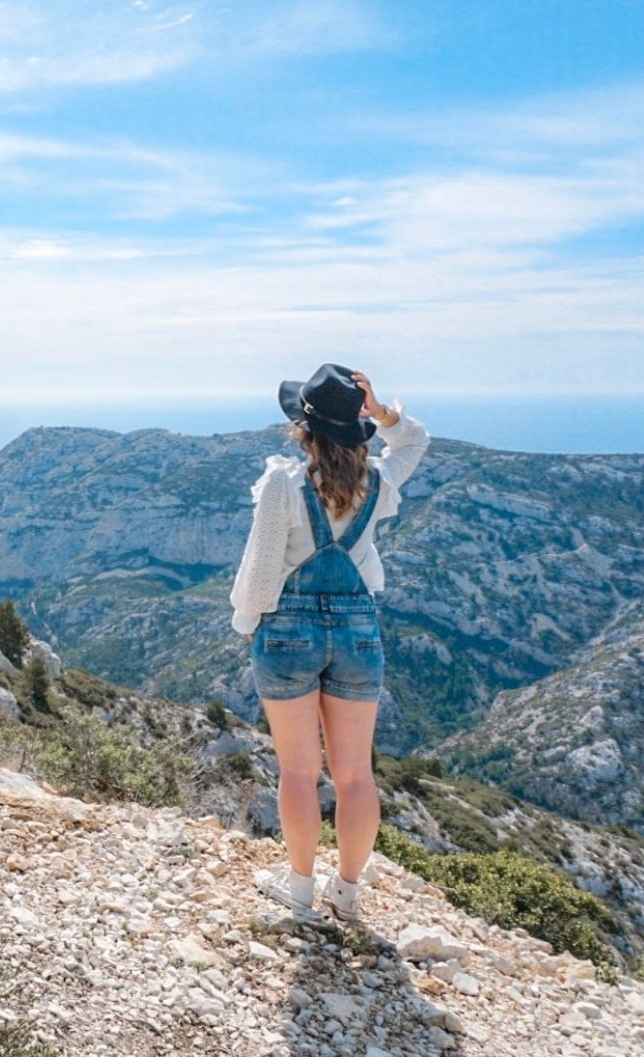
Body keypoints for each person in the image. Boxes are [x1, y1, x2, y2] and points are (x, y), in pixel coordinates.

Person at [231, 363, 429, 922]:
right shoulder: (380, 483)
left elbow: (262, 567)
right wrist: (381, 410)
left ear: (304, 431)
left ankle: (298, 888)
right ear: (355, 429)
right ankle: (346, 893)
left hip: (289, 632)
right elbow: (415, 440)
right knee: (354, 774)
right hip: (357, 632)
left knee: (298, 771)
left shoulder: (284, 485)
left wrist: (249, 624)